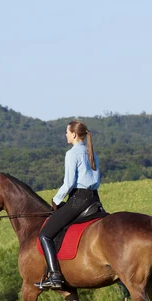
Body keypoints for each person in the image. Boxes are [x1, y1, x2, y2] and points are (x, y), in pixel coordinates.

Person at [35, 120, 101, 290]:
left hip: (78, 199)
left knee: (44, 235)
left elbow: (69, 182)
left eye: (67, 132)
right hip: (94, 199)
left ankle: (55, 276)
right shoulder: (91, 151)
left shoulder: (72, 154)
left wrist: (56, 200)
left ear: (73, 134)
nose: (65, 135)